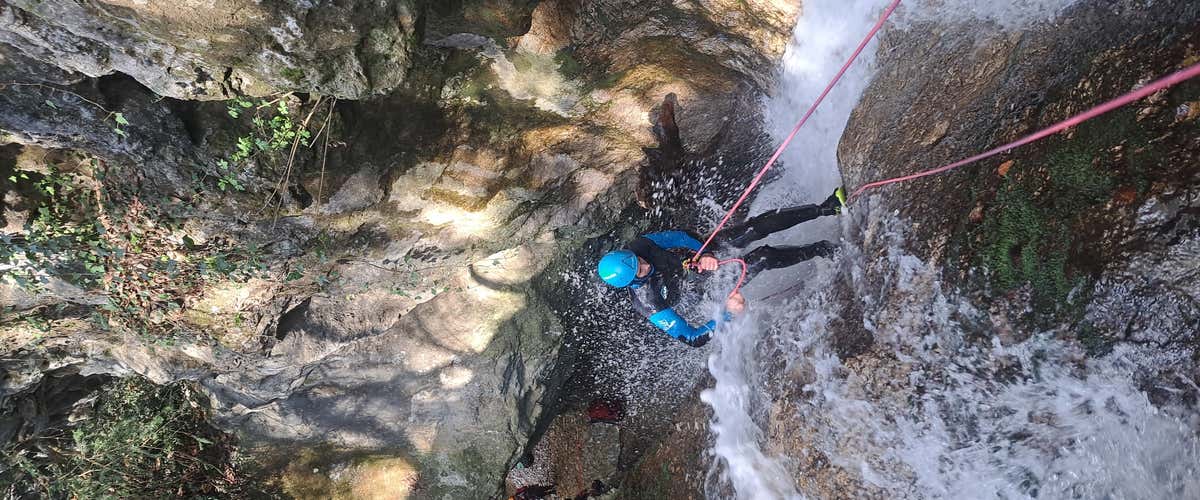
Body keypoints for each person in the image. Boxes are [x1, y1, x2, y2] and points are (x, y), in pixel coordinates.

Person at [596, 187, 846, 347]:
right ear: (631, 283)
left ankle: (826, 207)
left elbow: (681, 236)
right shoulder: (648, 303)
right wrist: (726, 312)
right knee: (763, 257)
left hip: (696, 256)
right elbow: (693, 338)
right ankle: (822, 250)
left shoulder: (640, 245)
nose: (644, 264)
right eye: (639, 270)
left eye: (638, 259)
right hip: (702, 288)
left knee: (754, 228)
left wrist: (705, 252)